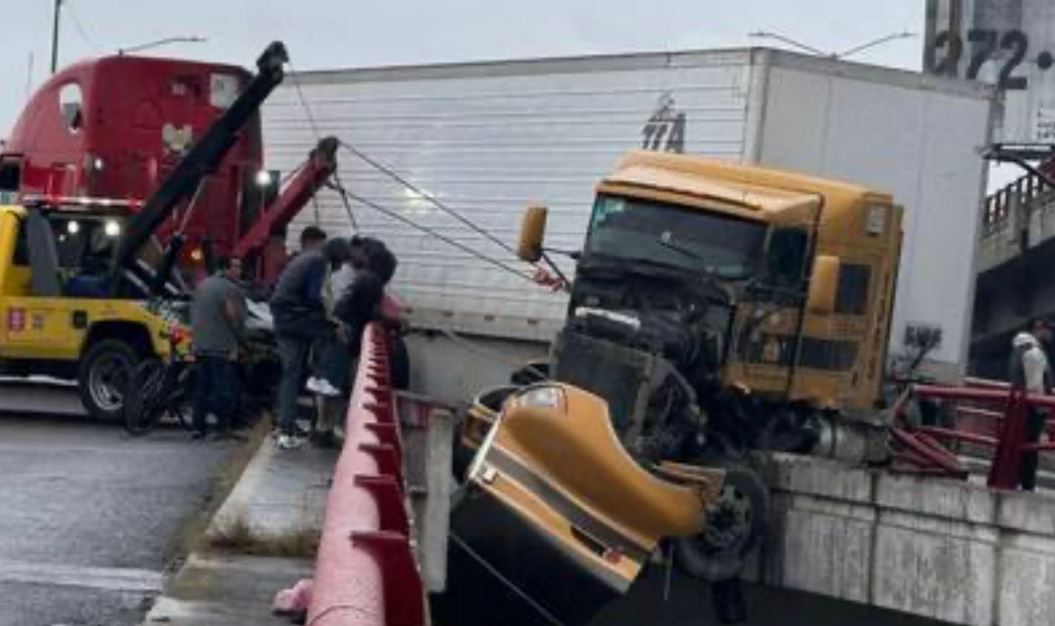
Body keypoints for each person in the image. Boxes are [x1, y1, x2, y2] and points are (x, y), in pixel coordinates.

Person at [270, 227, 349, 449]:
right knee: (333, 334)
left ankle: (286, 427)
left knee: (291, 373)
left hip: (282, 316)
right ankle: (323, 376)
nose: (340, 267)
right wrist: (333, 323)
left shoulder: (306, 258)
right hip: (293, 315)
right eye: (340, 263)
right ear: (335, 257)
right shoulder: (319, 262)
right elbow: (315, 297)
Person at [189, 256, 247, 440]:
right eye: (236, 267)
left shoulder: (202, 285)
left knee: (202, 388)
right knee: (223, 388)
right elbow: (233, 316)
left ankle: (198, 427)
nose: (239, 271)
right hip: (221, 346)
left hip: (200, 345)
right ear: (226, 269)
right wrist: (241, 340)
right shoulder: (230, 289)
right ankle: (223, 428)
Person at [1009, 317, 1053, 491]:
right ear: (1038, 329)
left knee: (1020, 446)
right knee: (1030, 448)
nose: (1050, 334)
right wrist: (1043, 409)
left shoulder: (1019, 349)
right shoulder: (1034, 352)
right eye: (1048, 330)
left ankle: (1017, 481)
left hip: (1019, 406)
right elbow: (1035, 387)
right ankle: (1027, 486)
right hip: (1031, 410)